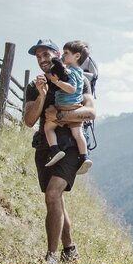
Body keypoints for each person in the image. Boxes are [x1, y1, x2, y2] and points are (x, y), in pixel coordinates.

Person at [23, 39, 97, 264]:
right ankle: (70, 250)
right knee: (55, 200)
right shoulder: (34, 86)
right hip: (45, 146)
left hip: (71, 145)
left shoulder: (78, 78)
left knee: (53, 195)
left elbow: (90, 113)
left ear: (56, 55)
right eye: (38, 57)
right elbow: (29, 120)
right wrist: (42, 95)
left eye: (46, 55)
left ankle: (51, 257)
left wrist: (62, 117)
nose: (42, 60)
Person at [43, 40, 93, 175]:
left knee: (48, 127)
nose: (63, 56)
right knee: (78, 133)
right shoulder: (81, 74)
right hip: (76, 107)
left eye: (66, 53)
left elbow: (71, 89)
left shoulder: (70, 72)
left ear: (77, 56)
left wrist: (57, 82)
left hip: (64, 106)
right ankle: (84, 157)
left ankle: (55, 150)